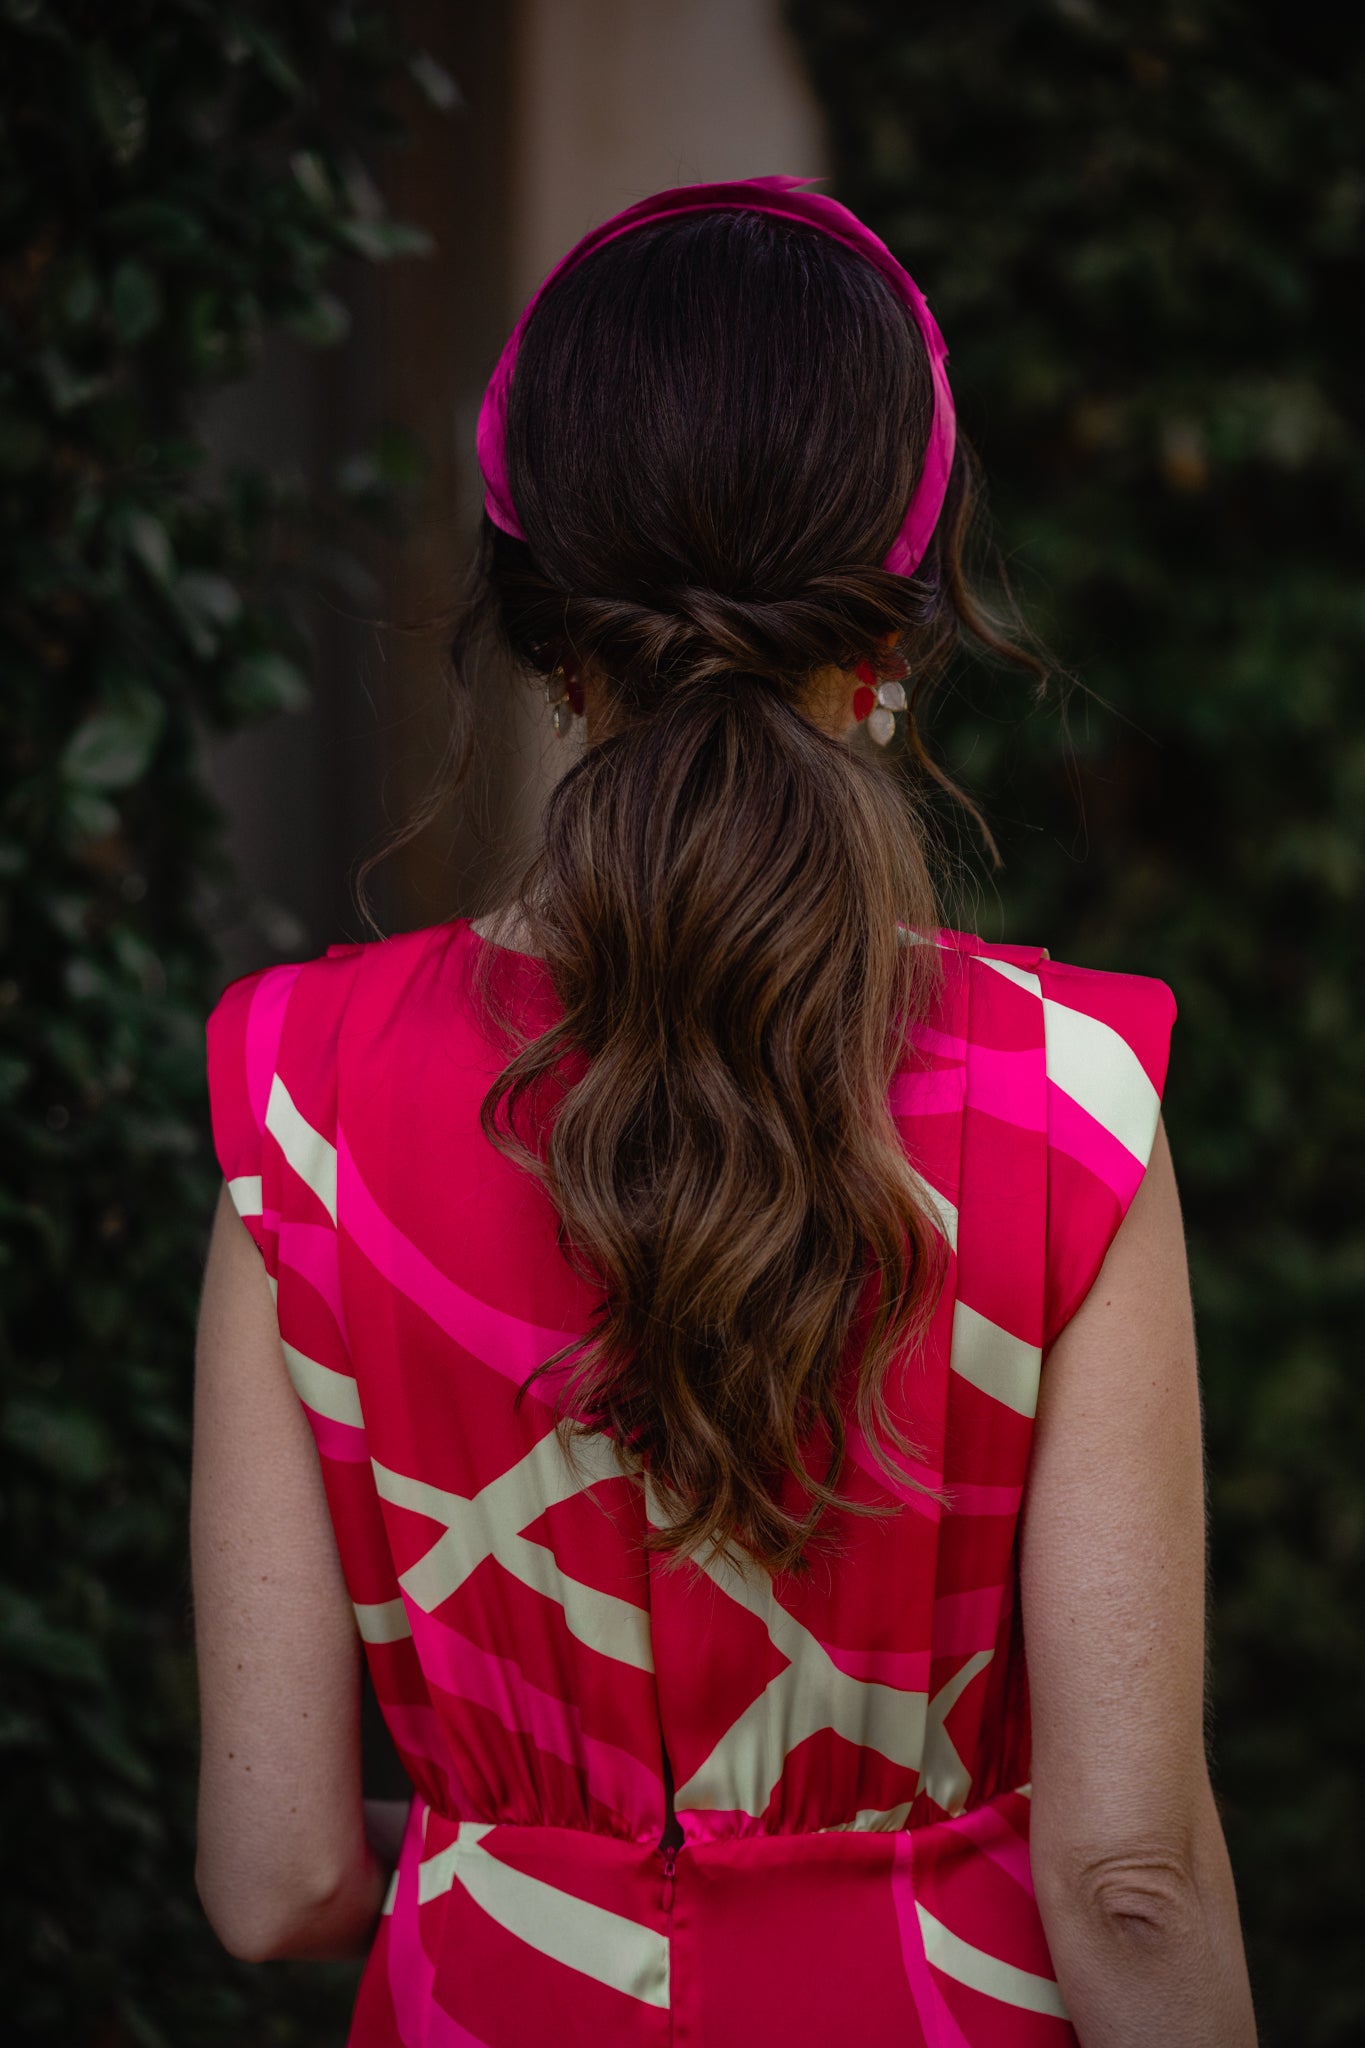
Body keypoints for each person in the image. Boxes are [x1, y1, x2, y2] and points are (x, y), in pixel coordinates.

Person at [192, 177, 1257, 2048]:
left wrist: (513, 1857)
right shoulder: (1066, 1103)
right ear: (896, 620)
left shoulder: (300, 1092)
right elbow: (1129, 1883)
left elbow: (276, 1878)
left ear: (545, 627)